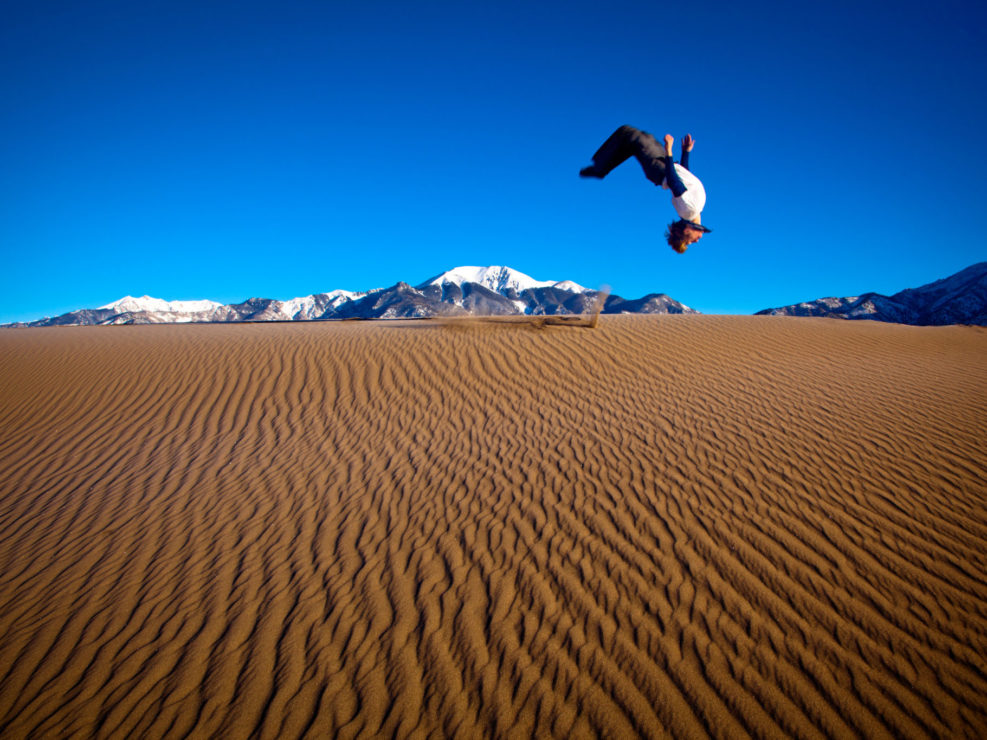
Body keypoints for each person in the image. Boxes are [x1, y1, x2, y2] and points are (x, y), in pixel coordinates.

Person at [580, 124, 711, 253]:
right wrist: (685, 152)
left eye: (690, 241)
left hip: (659, 168)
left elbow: (673, 180)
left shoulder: (688, 210)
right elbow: (685, 177)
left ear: (686, 231)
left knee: (629, 134)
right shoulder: (697, 207)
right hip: (664, 164)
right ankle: (601, 168)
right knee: (636, 139)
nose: (697, 241)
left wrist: (669, 150)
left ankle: (599, 169)